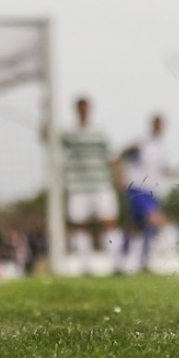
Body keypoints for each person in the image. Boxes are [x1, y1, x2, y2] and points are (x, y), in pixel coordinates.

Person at [60, 96, 120, 275]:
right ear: (76, 110)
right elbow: (50, 143)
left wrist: (119, 177)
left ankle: (116, 265)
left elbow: (111, 157)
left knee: (109, 222)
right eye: (80, 108)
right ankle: (85, 267)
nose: (83, 111)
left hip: (101, 185)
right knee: (80, 225)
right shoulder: (68, 134)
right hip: (78, 186)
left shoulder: (100, 133)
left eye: (86, 108)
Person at [117, 112, 171, 273]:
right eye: (157, 123)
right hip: (137, 187)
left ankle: (124, 260)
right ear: (152, 124)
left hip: (152, 190)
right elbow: (120, 155)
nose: (159, 127)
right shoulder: (142, 141)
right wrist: (118, 177)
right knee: (154, 219)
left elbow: (163, 170)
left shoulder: (161, 146)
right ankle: (143, 261)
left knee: (136, 226)